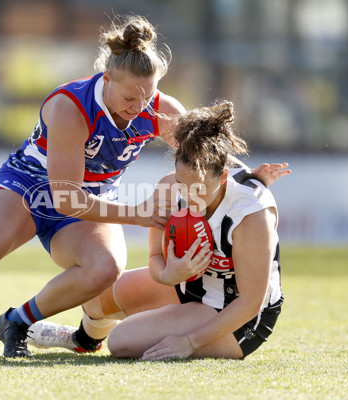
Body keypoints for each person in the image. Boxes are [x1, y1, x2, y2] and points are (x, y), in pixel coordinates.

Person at [0, 15, 287, 361]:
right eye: (130, 99)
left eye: (148, 97)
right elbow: (65, 198)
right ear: (106, 78)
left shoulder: (157, 108)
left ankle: (18, 320)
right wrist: (138, 214)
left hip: (92, 197)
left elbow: (204, 153)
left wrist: (248, 177)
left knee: (105, 270)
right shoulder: (70, 107)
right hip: (30, 187)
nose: (140, 109)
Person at [28, 100, 286, 360]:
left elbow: (251, 303)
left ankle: (180, 328)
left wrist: (189, 342)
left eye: (199, 188)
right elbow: (155, 257)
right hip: (190, 287)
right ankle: (82, 340)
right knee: (96, 295)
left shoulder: (251, 214)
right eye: (183, 184)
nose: (189, 196)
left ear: (223, 177)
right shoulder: (168, 189)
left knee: (121, 341)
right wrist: (168, 274)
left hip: (236, 311)